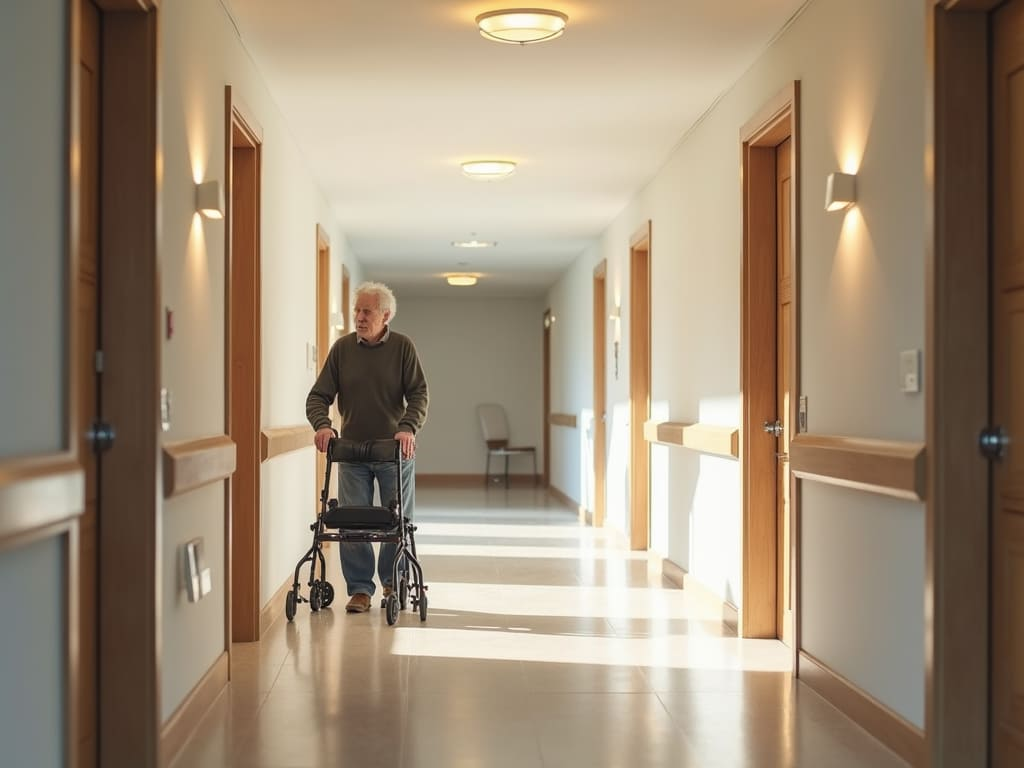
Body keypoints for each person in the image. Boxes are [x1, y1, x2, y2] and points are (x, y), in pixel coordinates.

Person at [306, 281, 428, 613]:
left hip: (393, 451)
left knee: (395, 520)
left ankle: (392, 583)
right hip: (353, 452)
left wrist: (407, 428)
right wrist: (323, 424)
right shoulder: (343, 350)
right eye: (357, 310)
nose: (359, 317)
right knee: (353, 522)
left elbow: (418, 395)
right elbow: (319, 396)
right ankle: (360, 589)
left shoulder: (402, 348)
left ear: (385, 315)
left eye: (367, 311)